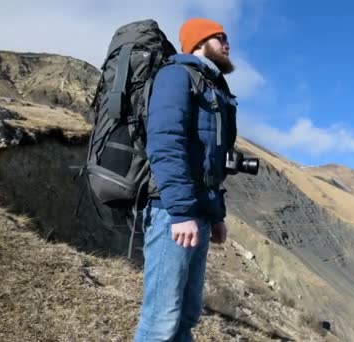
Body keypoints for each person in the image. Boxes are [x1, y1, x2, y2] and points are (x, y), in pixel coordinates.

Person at [134, 18, 238, 341]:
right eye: (220, 37)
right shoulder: (175, 75)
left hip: (198, 215)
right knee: (161, 319)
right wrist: (180, 212)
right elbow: (165, 142)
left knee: (187, 315)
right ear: (199, 41)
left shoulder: (214, 88)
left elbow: (210, 161)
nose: (227, 44)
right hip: (172, 214)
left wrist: (215, 215)